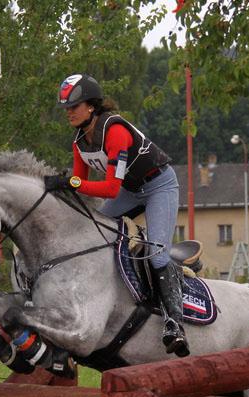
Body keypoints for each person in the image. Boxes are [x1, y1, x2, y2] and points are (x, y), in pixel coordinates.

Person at [45, 73, 189, 357]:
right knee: (92, 231)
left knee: (158, 254)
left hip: (159, 186)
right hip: (130, 191)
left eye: (74, 106)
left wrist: (71, 182)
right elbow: (81, 187)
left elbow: (108, 188)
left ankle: (175, 323)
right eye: (66, 108)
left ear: (91, 106)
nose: (69, 112)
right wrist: (58, 191)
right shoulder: (80, 141)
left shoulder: (115, 132)